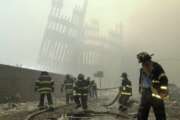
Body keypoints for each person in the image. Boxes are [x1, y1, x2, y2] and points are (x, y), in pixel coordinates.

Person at [137, 52, 168, 120]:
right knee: (141, 115)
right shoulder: (142, 70)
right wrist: (140, 88)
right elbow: (141, 80)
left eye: (144, 62)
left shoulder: (157, 67)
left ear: (148, 60)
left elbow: (164, 79)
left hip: (156, 96)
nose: (143, 64)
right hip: (145, 96)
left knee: (160, 116)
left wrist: (162, 91)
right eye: (142, 63)